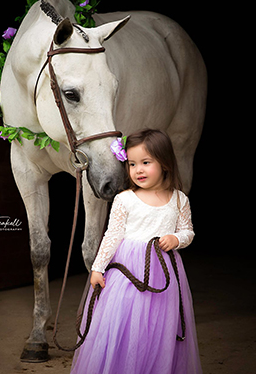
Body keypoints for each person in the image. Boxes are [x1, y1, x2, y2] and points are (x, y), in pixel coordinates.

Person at [70, 129, 203, 374]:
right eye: (132, 164)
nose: (138, 170)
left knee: (159, 327)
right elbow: (112, 235)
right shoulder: (125, 199)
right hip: (127, 274)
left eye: (145, 162)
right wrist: (98, 268)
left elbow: (189, 232)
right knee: (126, 324)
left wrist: (176, 238)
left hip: (164, 276)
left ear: (164, 163)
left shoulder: (179, 200)